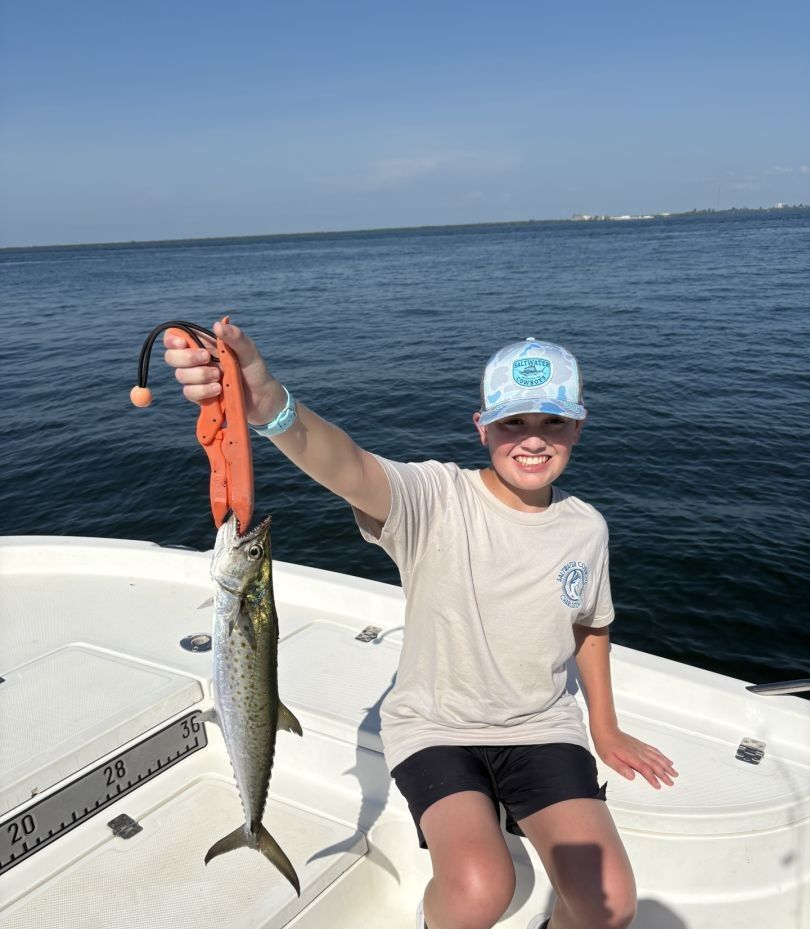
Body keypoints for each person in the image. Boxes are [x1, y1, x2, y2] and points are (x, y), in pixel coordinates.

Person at [164, 322, 678, 929]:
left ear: (578, 428)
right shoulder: (434, 498)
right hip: (436, 728)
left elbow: (590, 625)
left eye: (553, 422)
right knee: (482, 888)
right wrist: (267, 401)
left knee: (608, 902)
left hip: (541, 725)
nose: (533, 439)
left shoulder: (586, 527)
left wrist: (605, 726)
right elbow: (346, 465)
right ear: (481, 426)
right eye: (513, 422)